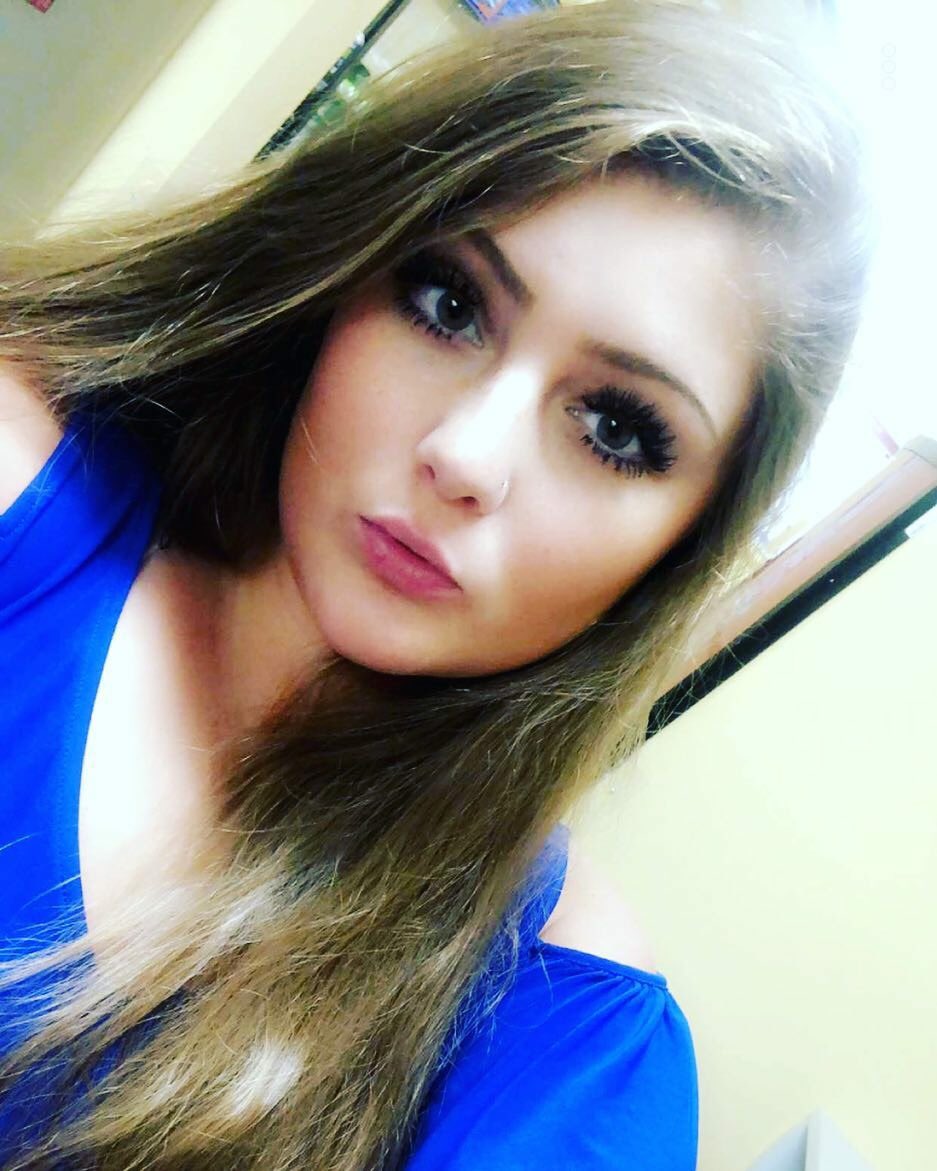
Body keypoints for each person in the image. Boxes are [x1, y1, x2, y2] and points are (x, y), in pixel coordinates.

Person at [0, 1, 868, 1167]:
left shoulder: (569, 1046)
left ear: (679, 545)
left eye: (615, 427)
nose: (465, 455)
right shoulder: (24, 499)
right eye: (449, 304)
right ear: (345, 272)